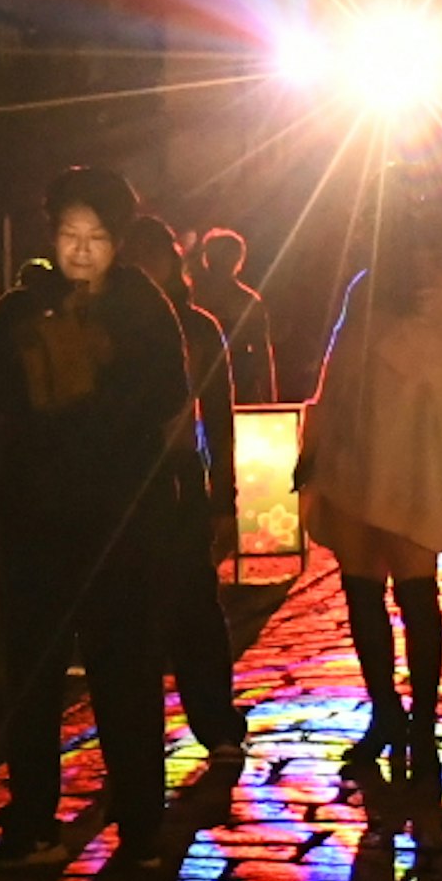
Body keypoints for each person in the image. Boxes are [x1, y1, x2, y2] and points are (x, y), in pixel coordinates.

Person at [0, 165, 196, 865]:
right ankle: (33, 819)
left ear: (118, 239)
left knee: (125, 673)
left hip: (121, 518)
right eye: (70, 234)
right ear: (51, 234)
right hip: (37, 518)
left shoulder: (141, 306)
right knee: (33, 674)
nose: (82, 250)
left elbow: (169, 400)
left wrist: (100, 368)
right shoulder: (22, 305)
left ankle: (140, 824)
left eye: (97, 236)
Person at [302, 187, 442, 788]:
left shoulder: (439, 284)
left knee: (413, 590)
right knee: (363, 589)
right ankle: (387, 714)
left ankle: (420, 721)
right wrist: (318, 442)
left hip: (410, 456)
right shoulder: (367, 286)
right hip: (356, 453)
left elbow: (435, 365)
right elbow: (339, 368)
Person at [124, 216, 247, 766]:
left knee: (195, 606)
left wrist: (225, 494)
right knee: (134, 618)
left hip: (179, 480)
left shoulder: (197, 328)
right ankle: (135, 745)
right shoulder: (108, 327)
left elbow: (218, 417)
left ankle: (217, 723)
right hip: (125, 484)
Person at [187, 226, 276, 405]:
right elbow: (262, 354)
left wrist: (270, 401)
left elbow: (262, 353)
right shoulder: (247, 301)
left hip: (232, 381)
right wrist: (270, 400)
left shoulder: (192, 295)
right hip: (205, 378)